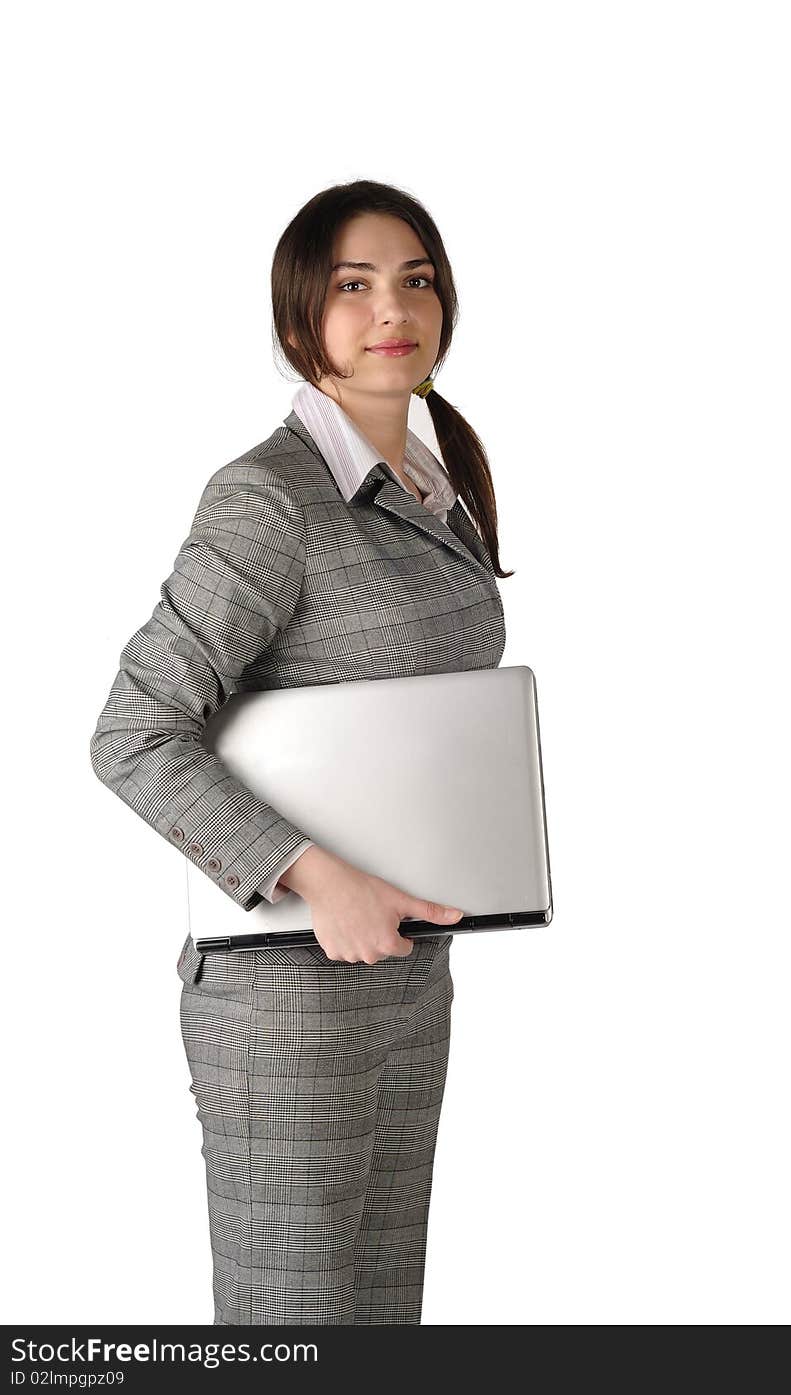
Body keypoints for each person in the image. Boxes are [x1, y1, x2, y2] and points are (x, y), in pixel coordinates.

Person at [89, 179, 513, 1326]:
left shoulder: (431, 483)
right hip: (289, 1000)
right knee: (296, 1328)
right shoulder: (267, 500)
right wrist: (317, 878)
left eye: (415, 279)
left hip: (406, 973)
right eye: (353, 285)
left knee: (376, 1322)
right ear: (297, 324)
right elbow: (133, 734)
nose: (394, 308)